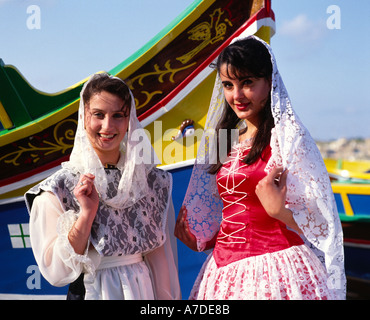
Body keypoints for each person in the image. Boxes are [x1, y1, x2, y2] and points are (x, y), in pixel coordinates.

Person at [175, 35, 346, 300]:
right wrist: (203, 239)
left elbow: (324, 226)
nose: (236, 95)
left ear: (269, 81)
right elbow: (234, 210)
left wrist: (279, 212)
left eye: (247, 83)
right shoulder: (226, 139)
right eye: (228, 85)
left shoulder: (288, 138)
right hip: (221, 273)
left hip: (276, 270)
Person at [25, 73, 181, 300]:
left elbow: (161, 262)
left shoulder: (152, 183)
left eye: (118, 115)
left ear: (130, 121)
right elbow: (57, 273)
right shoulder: (58, 189)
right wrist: (86, 214)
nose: (108, 126)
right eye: (98, 115)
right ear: (84, 117)